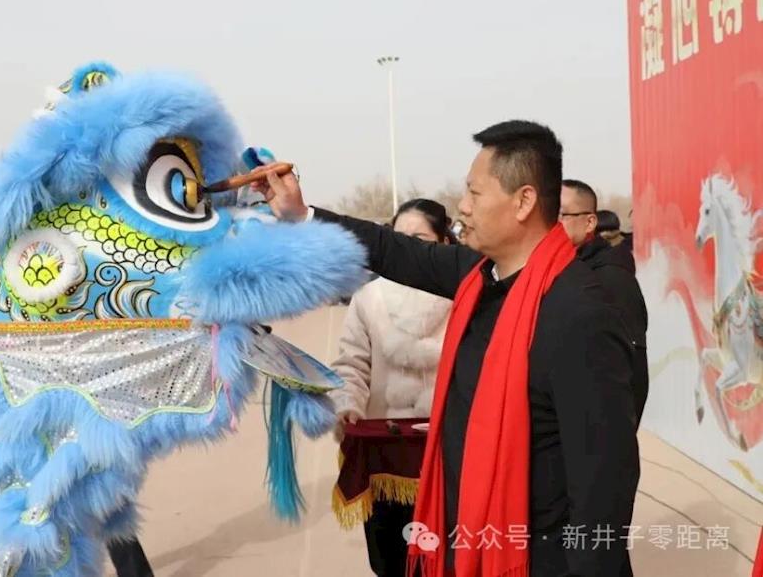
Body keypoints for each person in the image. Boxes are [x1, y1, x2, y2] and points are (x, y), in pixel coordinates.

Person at [254, 120, 639, 576]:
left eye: (474, 193)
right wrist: (301, 215)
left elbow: (604, 483)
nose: (463, 206)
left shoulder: (579, 313)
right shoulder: (477, 275)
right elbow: (391, 249)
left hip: (533, 559)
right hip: (467, 540)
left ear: (524, 201)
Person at [331, 198, 455, 577]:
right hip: (385, 454)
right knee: (391, 557)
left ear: (444, 242)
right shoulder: (369, 298)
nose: (408, 248)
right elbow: (351, 364)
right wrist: (347, 405)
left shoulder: (465, 295)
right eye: (399, 238)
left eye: (420, 239)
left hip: (451, 450)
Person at [561, 180, 649, 422]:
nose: (551, 224)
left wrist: (618, 435)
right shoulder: (559, 271)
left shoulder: (611, 278)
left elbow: (633, 369)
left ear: (590, 222)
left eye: (562, 215)